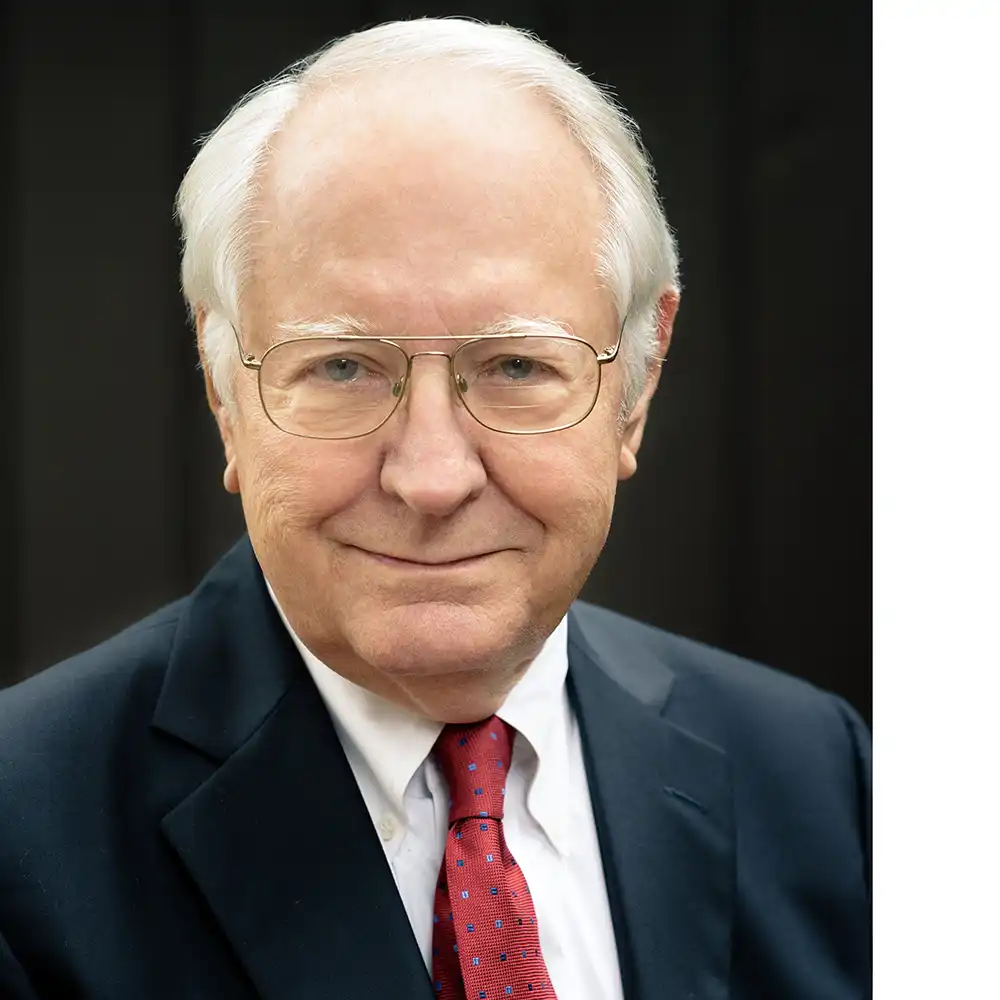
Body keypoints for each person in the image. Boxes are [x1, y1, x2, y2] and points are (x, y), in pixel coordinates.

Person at [0, 17, 871, 1000]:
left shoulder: (815, 775)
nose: (429, 477)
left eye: (513, 365)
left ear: (638, 380)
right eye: (340, 365)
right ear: (223, 390)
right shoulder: (19, 839)